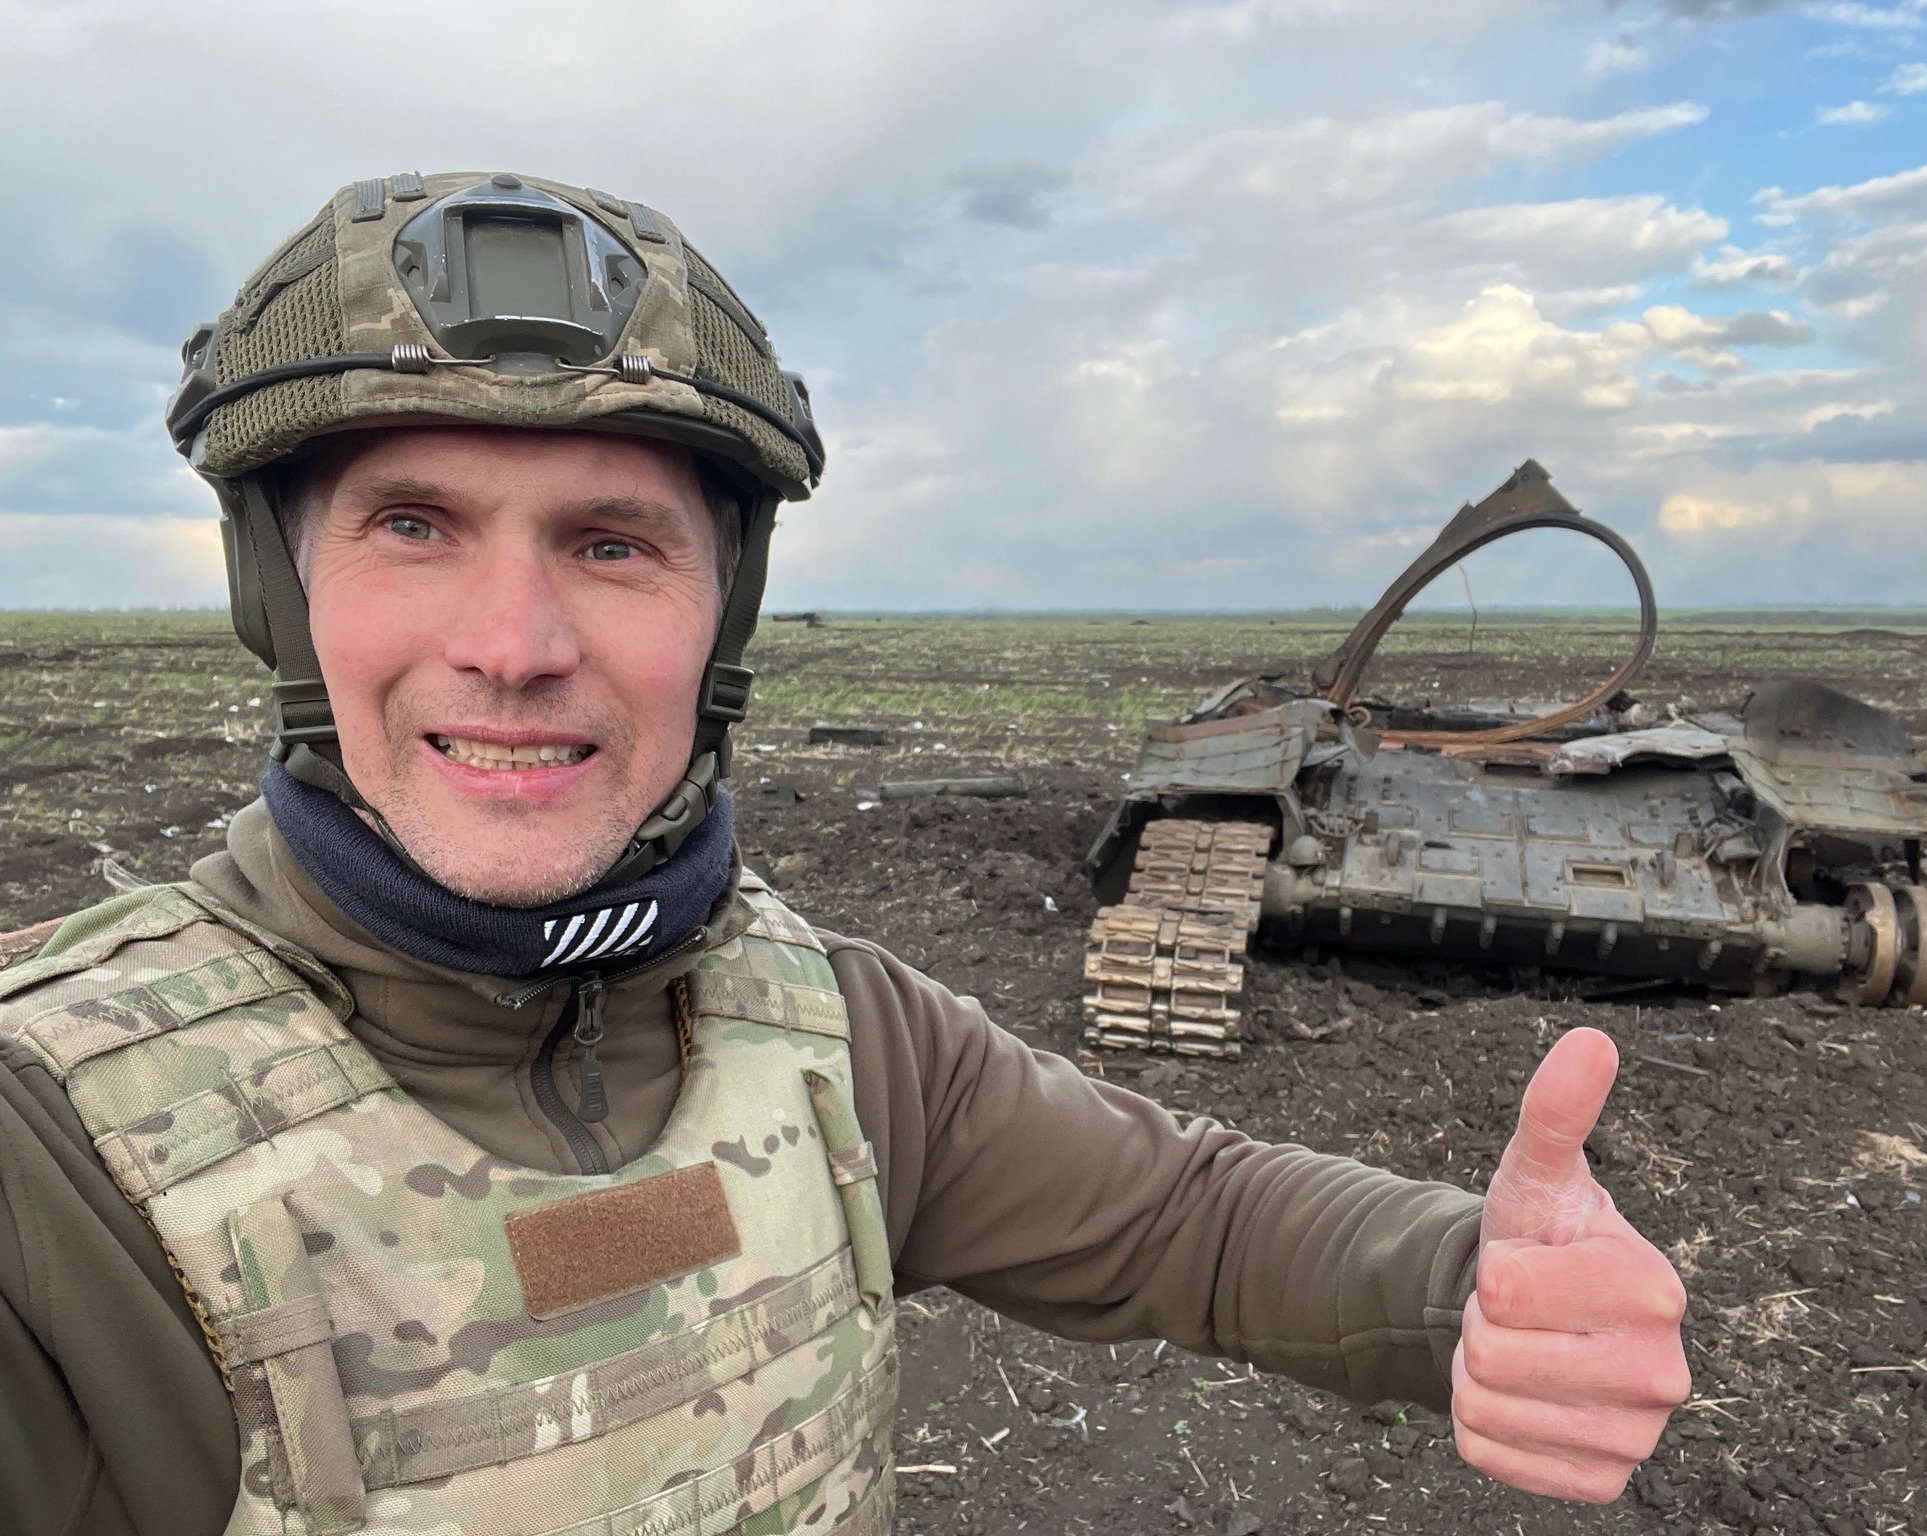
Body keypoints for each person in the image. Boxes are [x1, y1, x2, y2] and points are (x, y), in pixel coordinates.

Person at [0, 173, 1688, 1536]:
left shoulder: (832, 1036)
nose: (513, 644)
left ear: (719, 614)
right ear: (280, 594)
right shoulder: (54, 1161)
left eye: (612, 544)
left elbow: (1189, 1216)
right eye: (415, 526)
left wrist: (1476, 1289)